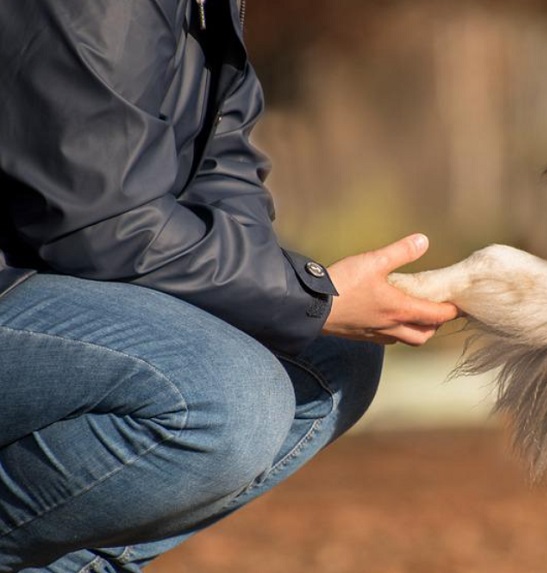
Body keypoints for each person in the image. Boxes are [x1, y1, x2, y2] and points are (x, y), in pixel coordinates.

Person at [0, 1, 459, 571]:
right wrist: (306, 298)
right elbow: (101, 222)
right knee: (227, 397)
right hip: (23, 281)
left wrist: (305, 302)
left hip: (50, 279)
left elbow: (222, 166)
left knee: (333, 356)